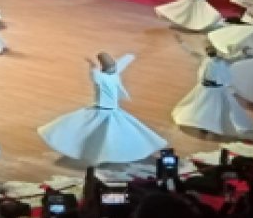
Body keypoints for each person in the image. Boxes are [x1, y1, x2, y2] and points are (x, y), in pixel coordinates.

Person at [37, 52, 167, 163]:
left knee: (119, 133)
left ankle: (109, 153)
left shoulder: (111, 75)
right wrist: (92, 64)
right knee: (99, 134)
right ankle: (98, 154)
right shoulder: (102, 77)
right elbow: (97, 71)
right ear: (105, 68)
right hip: (102, 111)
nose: (114, 68)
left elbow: (119, 65)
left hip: (111, 112)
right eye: (111, 67)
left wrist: (130, 56)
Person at [171, 45, 253, 137]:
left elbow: (235, 58)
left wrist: (243, 53)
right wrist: (182, 44)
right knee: (202, 107)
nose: (210, 52)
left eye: (212, 50)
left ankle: (216, 125)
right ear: (207, 52)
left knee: (221, 109)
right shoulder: (205, 59)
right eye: (208, 50)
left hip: (217, 90)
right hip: (206, 88)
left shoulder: (223, 61)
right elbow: (192, 53)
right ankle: (203, 124)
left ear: (215, 51)